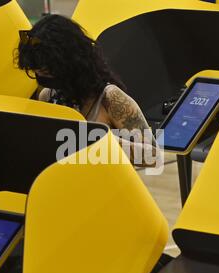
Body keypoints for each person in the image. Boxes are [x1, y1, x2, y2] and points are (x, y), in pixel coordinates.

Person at [17, 14, 161, 167]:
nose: (43, 80)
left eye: (47, 73)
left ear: (70, 63)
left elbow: (153, 156)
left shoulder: (110, 97)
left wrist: (97, 137)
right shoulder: (47, 95)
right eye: (38, 73)